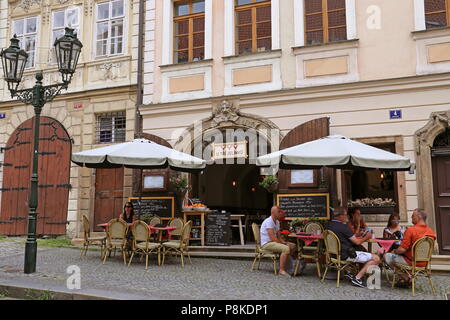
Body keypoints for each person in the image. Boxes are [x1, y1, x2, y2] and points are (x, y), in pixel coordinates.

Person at [327, 207, 381, 288]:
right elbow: (357, 242)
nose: (346, 217)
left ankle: (352, 273)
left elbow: (346, 238)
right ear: (340, 216)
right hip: (346, 255)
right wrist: (367, 237)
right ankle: (357, 278)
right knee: (376, 258)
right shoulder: (343, 227)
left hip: (333, 255)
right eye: (345, 215)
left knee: (362, 251)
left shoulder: (328, 225)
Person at [383, 209, 436, 287]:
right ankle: (408, 278)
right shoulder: (431, 232)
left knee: (387, 256)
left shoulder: (411, 230)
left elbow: (401, 250)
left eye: (413, 215)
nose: (411, 217)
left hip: (410, 262)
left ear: (419, 217)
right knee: (401, 256)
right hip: (425, 262)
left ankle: (407, 278)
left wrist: (394, 251)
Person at [260, 206, 297, 277]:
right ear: (273, 213)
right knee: (286, 248)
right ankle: (281, 270)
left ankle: (287, 266)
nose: (280, 213)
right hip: (267, 243)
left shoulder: (277, 222)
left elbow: (279, 237)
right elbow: (273, 238)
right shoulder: (269, 221)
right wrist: (285, 245)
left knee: (293, 246)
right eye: (278, 212)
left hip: (273, 242)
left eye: (280, 211)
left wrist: (285, 243)